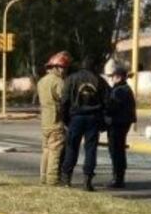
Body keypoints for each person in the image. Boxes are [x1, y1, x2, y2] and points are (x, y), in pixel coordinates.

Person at [60, 55, 109, 191]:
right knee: (91, 150)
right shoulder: (99, 80)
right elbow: (107, 101)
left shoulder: (72, 79)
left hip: (76, 118)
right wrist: (103, 121)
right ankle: (87, 180)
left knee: (71, 147)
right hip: (93, 118)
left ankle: (66, 178)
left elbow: (64, 101)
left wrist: (65, 119)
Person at [37, 51, 71, 185]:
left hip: (45, 121)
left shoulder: (41, 81)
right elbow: (65, 99)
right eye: (63, 68)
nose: (64, 71)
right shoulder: (58, 82)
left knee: (46, 151)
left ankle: (43, 177)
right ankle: (52, 179)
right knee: (55, 152)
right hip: (56, 121)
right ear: (56, 67)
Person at [104, 65, 136, 189]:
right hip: (122, 122)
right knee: (118, 150)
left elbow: (112, 107)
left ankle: (118, 178)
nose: (113, 79)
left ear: (119, 77)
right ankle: (118, 177)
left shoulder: (120, 90)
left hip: (117, 123)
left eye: (114, 77)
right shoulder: (124, 89)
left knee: (116, 151)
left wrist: (104, 111)